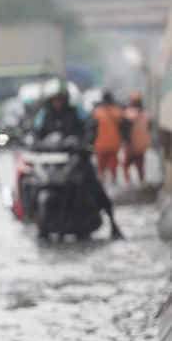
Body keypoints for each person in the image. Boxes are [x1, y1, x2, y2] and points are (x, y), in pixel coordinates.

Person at [31, 78, 123, 239]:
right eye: (54, 100)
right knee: (33, 183)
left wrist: (84, 142)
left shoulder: (76, 112)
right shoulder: (44, 115)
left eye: (60, 99)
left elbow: (90, 125)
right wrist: (33, 142)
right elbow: (33, 132)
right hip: (51, 161)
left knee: (95, 186)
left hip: (75, 158)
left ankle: (113, 223)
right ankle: (36, 221)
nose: (57, 103)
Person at [87, 89, 124, 185]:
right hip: (113, 143)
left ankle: (102, 182)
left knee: (101, 166)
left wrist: (90, 141)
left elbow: (91, 128)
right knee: (113, 165)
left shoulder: (97, 112)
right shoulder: (117, 112)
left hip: (101, 144)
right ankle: (113, 181)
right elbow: (123, 127)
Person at [122, 91, 152, 185]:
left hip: (131, 147)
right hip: (142, 146)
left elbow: (124, 131)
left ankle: (128, 183)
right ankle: (142, 182)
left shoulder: (127, 114)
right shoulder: (146, 115)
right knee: (140, 166)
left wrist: (127, 143)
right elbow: (149, 128)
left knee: (125, 165)